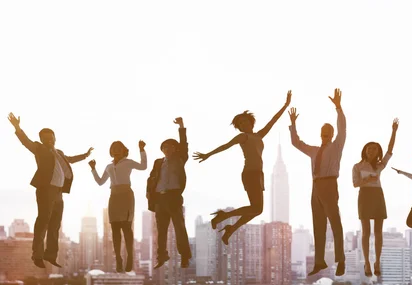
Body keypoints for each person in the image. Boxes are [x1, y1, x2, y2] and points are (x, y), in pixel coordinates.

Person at [193, 91, 291, 245]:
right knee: (256, 208)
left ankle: (231, 228)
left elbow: (273, 120)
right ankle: (223, 217)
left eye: (245, 122)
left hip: (259, 174)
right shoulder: (242, 137)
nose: (244, 125)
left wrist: (285, 105)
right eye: (240, 124)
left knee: (257, 210)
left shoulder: (258, 135)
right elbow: (225, 146)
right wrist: (208, 154)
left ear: (251, 122)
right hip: (250, 173)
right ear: (239, 128)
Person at [7, 112, 93, 268]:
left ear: (55, 138)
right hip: (46, 190)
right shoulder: (39, 149)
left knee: (55, 225)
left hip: (59, 192)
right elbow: (26, 142)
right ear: (41, 140)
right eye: (45, 138)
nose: (48, 140)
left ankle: (50, 255)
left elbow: (70, 160)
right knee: (43, 222)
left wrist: (85, 155)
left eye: (51, 137)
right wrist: (17, 127)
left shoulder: (59, 153)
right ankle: (37, 255)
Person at [288, 88, 346, 276]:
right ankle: (319, 261)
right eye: (323, 132)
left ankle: (341, 259)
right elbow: (296, 143)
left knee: (335, 223)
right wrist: (293, 125)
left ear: (332, 133)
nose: (325, 135)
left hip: (329, 184)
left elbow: (343, 128)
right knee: (318, 226)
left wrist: (338, 108)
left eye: (328, 132)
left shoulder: (336, 147)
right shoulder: (314, 150)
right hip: (315, 187)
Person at [89, 140, 147, 272]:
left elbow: (143, 166)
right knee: (115, 229)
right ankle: (119, 259)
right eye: (113, 148)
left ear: (123, 150)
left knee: (126, 227)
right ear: (111, 150)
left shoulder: (128, 162)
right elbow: (100, 182)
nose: (116, 150)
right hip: (113, 196)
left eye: (119, 148)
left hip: (126, 195)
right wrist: (93, 169)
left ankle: (130, 257)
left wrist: (142, 150)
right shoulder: (109, 166)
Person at [351, 118, 398, 277]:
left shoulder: (379, 165)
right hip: (364, 196)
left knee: (378, 232)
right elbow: (355, 184)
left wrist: (394, 131)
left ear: (378, 152)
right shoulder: (357, 166)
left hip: (378, 195)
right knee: (365, 232)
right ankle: (367, 263)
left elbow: (390, 151)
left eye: (375, 149)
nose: (372, 151)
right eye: (369, 149)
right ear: (365, 151)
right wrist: (367, 180)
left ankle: (377, 261)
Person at [146, 117, 191, 269]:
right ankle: (162, 255)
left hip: (174, 197)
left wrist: (181, 127)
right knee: (161, 231)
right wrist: (150, 195)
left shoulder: (180, 159)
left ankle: (185, 256)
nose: (167, 149)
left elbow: (184, 145)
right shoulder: (158, 162)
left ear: (175, 148)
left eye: (171, 146)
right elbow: (151, 179)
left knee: (179, 227)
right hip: (160, 199)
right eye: (165, 147)